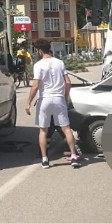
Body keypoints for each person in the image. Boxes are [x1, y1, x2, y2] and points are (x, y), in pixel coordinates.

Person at [25, 38, 81, 169]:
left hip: (45, 99)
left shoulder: (38, 65)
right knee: (66, 128)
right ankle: (74, 156)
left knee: (43, 131)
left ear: (39, 51)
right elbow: (68, 82)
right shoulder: (59, 63)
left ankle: (45, 159)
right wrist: (65, 97)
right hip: (58, 98)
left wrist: (28, 102)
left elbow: (36, 85)